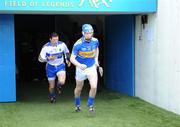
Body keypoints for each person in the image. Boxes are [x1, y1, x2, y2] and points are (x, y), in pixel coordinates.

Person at [70, 24, 100, 113]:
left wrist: (96, 60)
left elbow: (96, 49)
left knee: (94, 86)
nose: (89, 35)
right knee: (79, 88)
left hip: (91, 67)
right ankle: (77, 105)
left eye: (91, 33)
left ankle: (90, 104)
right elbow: (72, 58)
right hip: (80, 69)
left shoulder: (95, 41)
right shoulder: (77, 44)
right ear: (83, 33)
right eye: (87, 33)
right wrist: (79, 65)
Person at [38, 32, 71, 103]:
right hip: (50, 67)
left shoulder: (62, 44)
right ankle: (52, 96)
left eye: (57, 39)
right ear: (50, 39)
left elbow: (67, 52)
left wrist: (68, 60)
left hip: (60, 65)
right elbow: (40, 59)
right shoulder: (46, 47)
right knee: (51, 86)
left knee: (62, 81)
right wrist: (48, 59)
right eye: (54, 40)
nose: (56, 41)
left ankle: (58, 85)